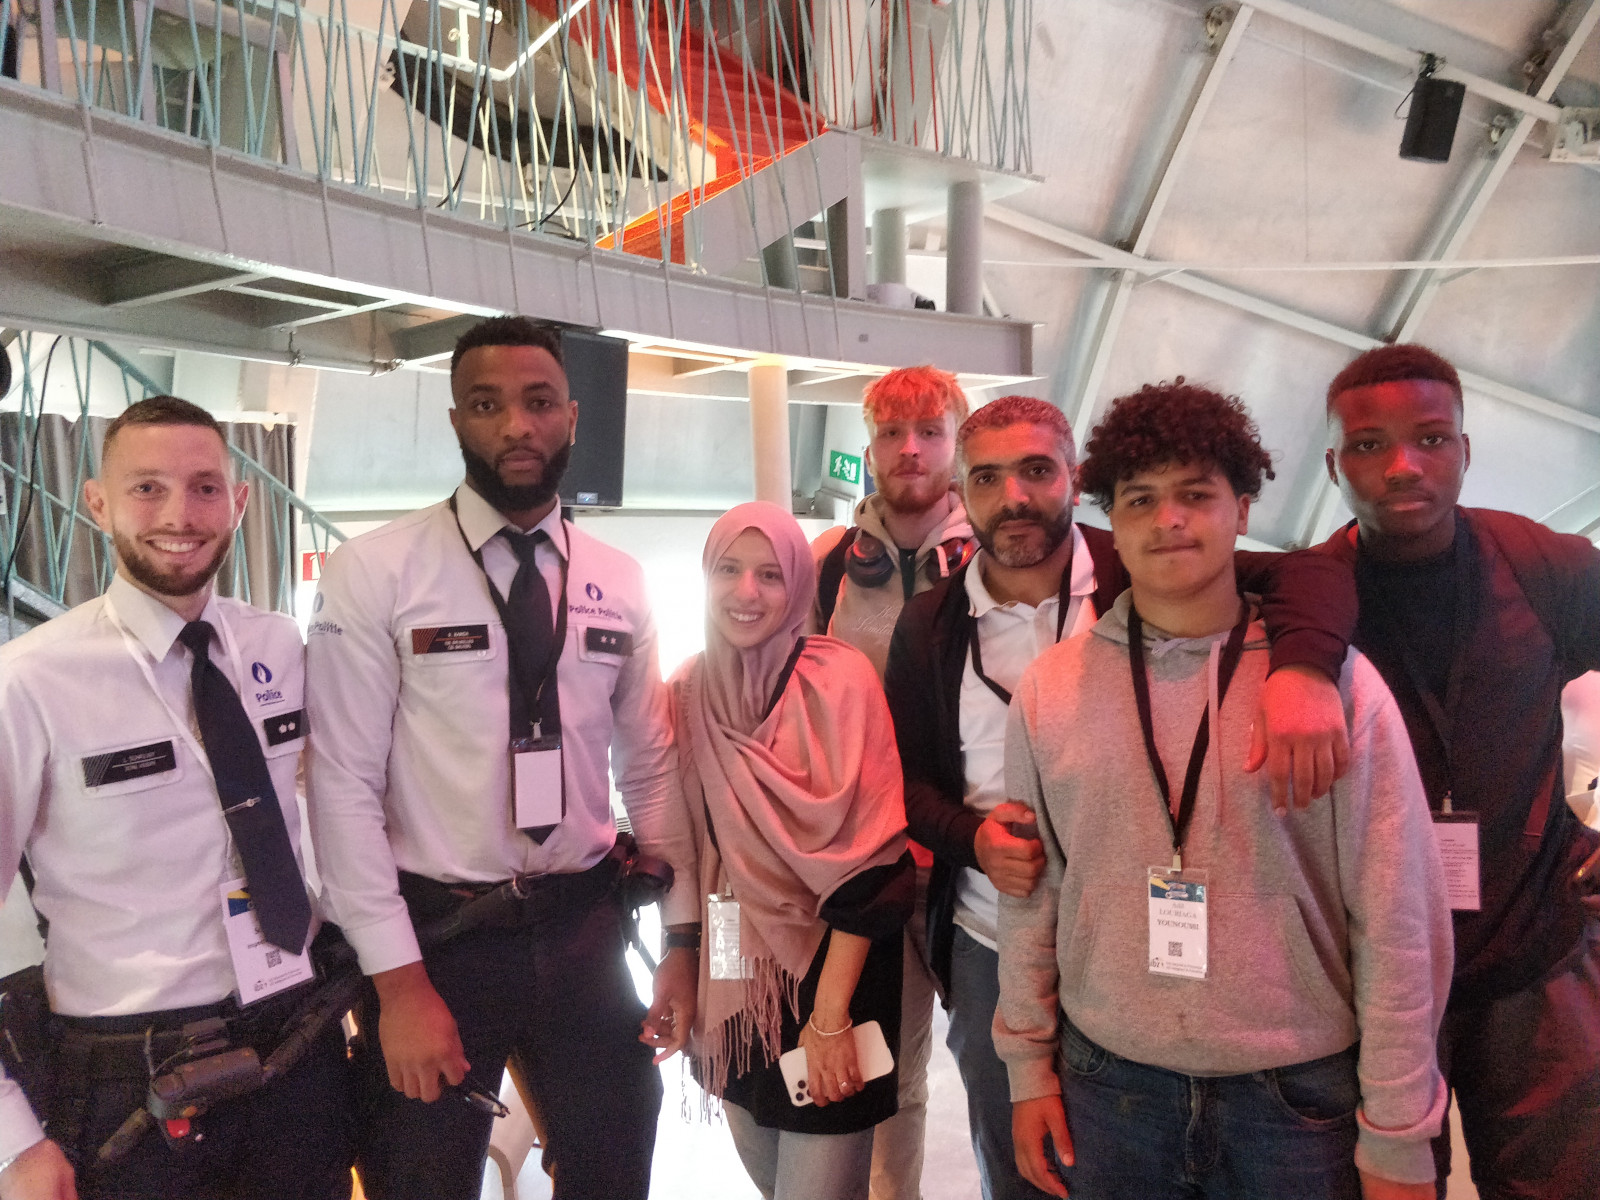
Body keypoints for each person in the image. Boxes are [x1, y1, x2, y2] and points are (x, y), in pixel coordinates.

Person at [883, 394, 1362, 1200]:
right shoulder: (931, 623)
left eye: (1037, 470)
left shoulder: (1144, 558)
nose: (1016, 497)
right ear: (960, 494)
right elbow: (907, 781)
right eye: (988, 479)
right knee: (1028, 1168)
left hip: (1141, 946)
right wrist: (972, 839)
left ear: (1074, 478)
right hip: (997, 932)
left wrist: (1307, 670)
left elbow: (1307, 574)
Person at [995, 381, 1454, 1200]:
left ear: (1242, 510)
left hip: (1297, 1098)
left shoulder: (1333, 687)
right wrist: (1028, 1066)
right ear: (1113, 519)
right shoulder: (1049, 691)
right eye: (1141, 499)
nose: (1169, 520)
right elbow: (1035, 893)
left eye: (1195, 495)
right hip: (1110, 1085)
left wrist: (1397, 1133)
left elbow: (1397, 914)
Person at [303, 316, 698, 1200]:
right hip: (442, 939)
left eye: (537, 402)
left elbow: (651, 765)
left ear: (571, 417)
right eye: (488, 405)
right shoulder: (379, 571)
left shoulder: (621, 580)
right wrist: (397, 985)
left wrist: (682, 938)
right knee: (422, 1177)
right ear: (455, 421)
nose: (516, 425)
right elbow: (342, 789)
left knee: (616, 1162)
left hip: (584, 925)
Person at [0, 396, 350, 1200]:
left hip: (292, 1041)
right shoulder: (32, 681)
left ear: (240, 501)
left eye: (202, 487)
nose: (179, 515)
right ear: (97, 503)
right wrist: (12, 1140)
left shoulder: (277, 646)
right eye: (146, 488)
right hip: (132, 1070)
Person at [1318, 344, 1600, 1200]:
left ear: (1466, 451)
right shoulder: (1315, 597)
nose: (1404, 465)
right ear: (1334, 466)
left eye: (1431, 439)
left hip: (1534, 948)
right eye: (1369, 446)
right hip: (1375, 969)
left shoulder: (1546, 566)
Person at [671, 502, 914, 1200]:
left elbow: (875, 865)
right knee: (775, 1183)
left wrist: (830, 1016)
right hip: (737, 977)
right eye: (729, 570)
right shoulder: (686, 692)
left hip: (839, 970)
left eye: (771, 575)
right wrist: (681, 970)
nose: (747, 593)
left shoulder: (840, 681)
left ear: (800, 586)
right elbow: (681, 847)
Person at [811, 365, 972, 1200]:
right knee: (891, 1078)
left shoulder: (1006, 559)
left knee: (1012, 1066)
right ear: (869, 448)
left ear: (957, 442)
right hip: (872, 864)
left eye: (931, 431)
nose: (910, 450)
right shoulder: (827, 566)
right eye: (890, 433)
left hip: (978, 862)